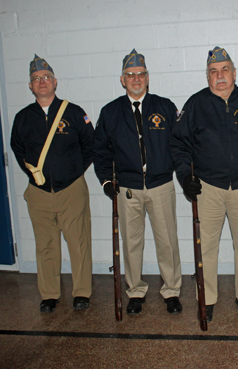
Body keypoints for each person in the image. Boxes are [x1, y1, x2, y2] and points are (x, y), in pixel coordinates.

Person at [170, 46, 238, 322]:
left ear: (234, 72)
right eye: (213, 72)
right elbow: (179, 145)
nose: (220, 76)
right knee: (206, 246)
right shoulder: (195, 105)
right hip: (209, 188)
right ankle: (207, 299)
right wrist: (185, 176)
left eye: (224, 70)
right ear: (207, 76)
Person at [93, 49, 182, 316]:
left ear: (147, 78)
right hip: (127, 188)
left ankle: (172, 291)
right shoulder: (110, 112)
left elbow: (179, 145)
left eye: (140, 74)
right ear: (122, 80)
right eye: (130, 75)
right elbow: (100, 151)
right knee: (131, 244)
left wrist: (185, 175)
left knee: (167, 241)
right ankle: (135, 291)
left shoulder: (165, 107)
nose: (136, 79)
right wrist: (106, 181)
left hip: (161, 185)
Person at [11, 55, 94, 313]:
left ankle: (81, 292)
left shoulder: (74, 112)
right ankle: (49, 294)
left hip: (71, 190)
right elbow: (17, 148)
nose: (42, 82)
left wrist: (71, 172)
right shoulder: (23, 117)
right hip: (39, 193)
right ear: (30, 86)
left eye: (46, 78)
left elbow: (90, 146)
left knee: (78, 242)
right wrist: (34, 174)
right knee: (45, 244)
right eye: (36, 79)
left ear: (55, 82)